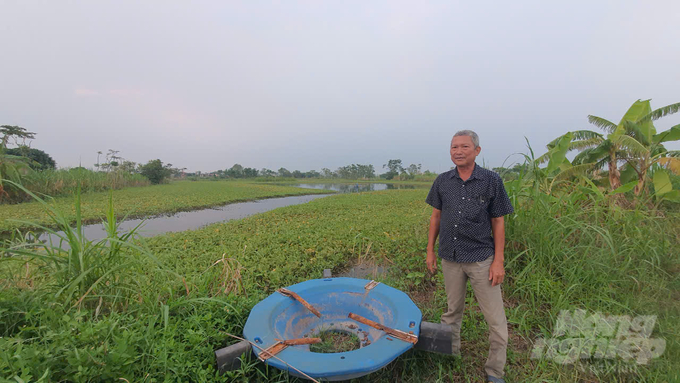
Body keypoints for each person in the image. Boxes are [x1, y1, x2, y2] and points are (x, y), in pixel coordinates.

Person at [425, 130, 514, 383]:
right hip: (450, 257)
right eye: (454, 147)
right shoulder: (443, 181)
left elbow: (498, 221)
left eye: (464, 146)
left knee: (495, 319)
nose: (458, 151)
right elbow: (436, 218)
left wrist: (498, 261)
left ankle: (494, 371)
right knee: (452, 311)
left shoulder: (491, 180)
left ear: (477, 150)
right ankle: (449, 355)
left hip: (481, 258)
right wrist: (430, 251)